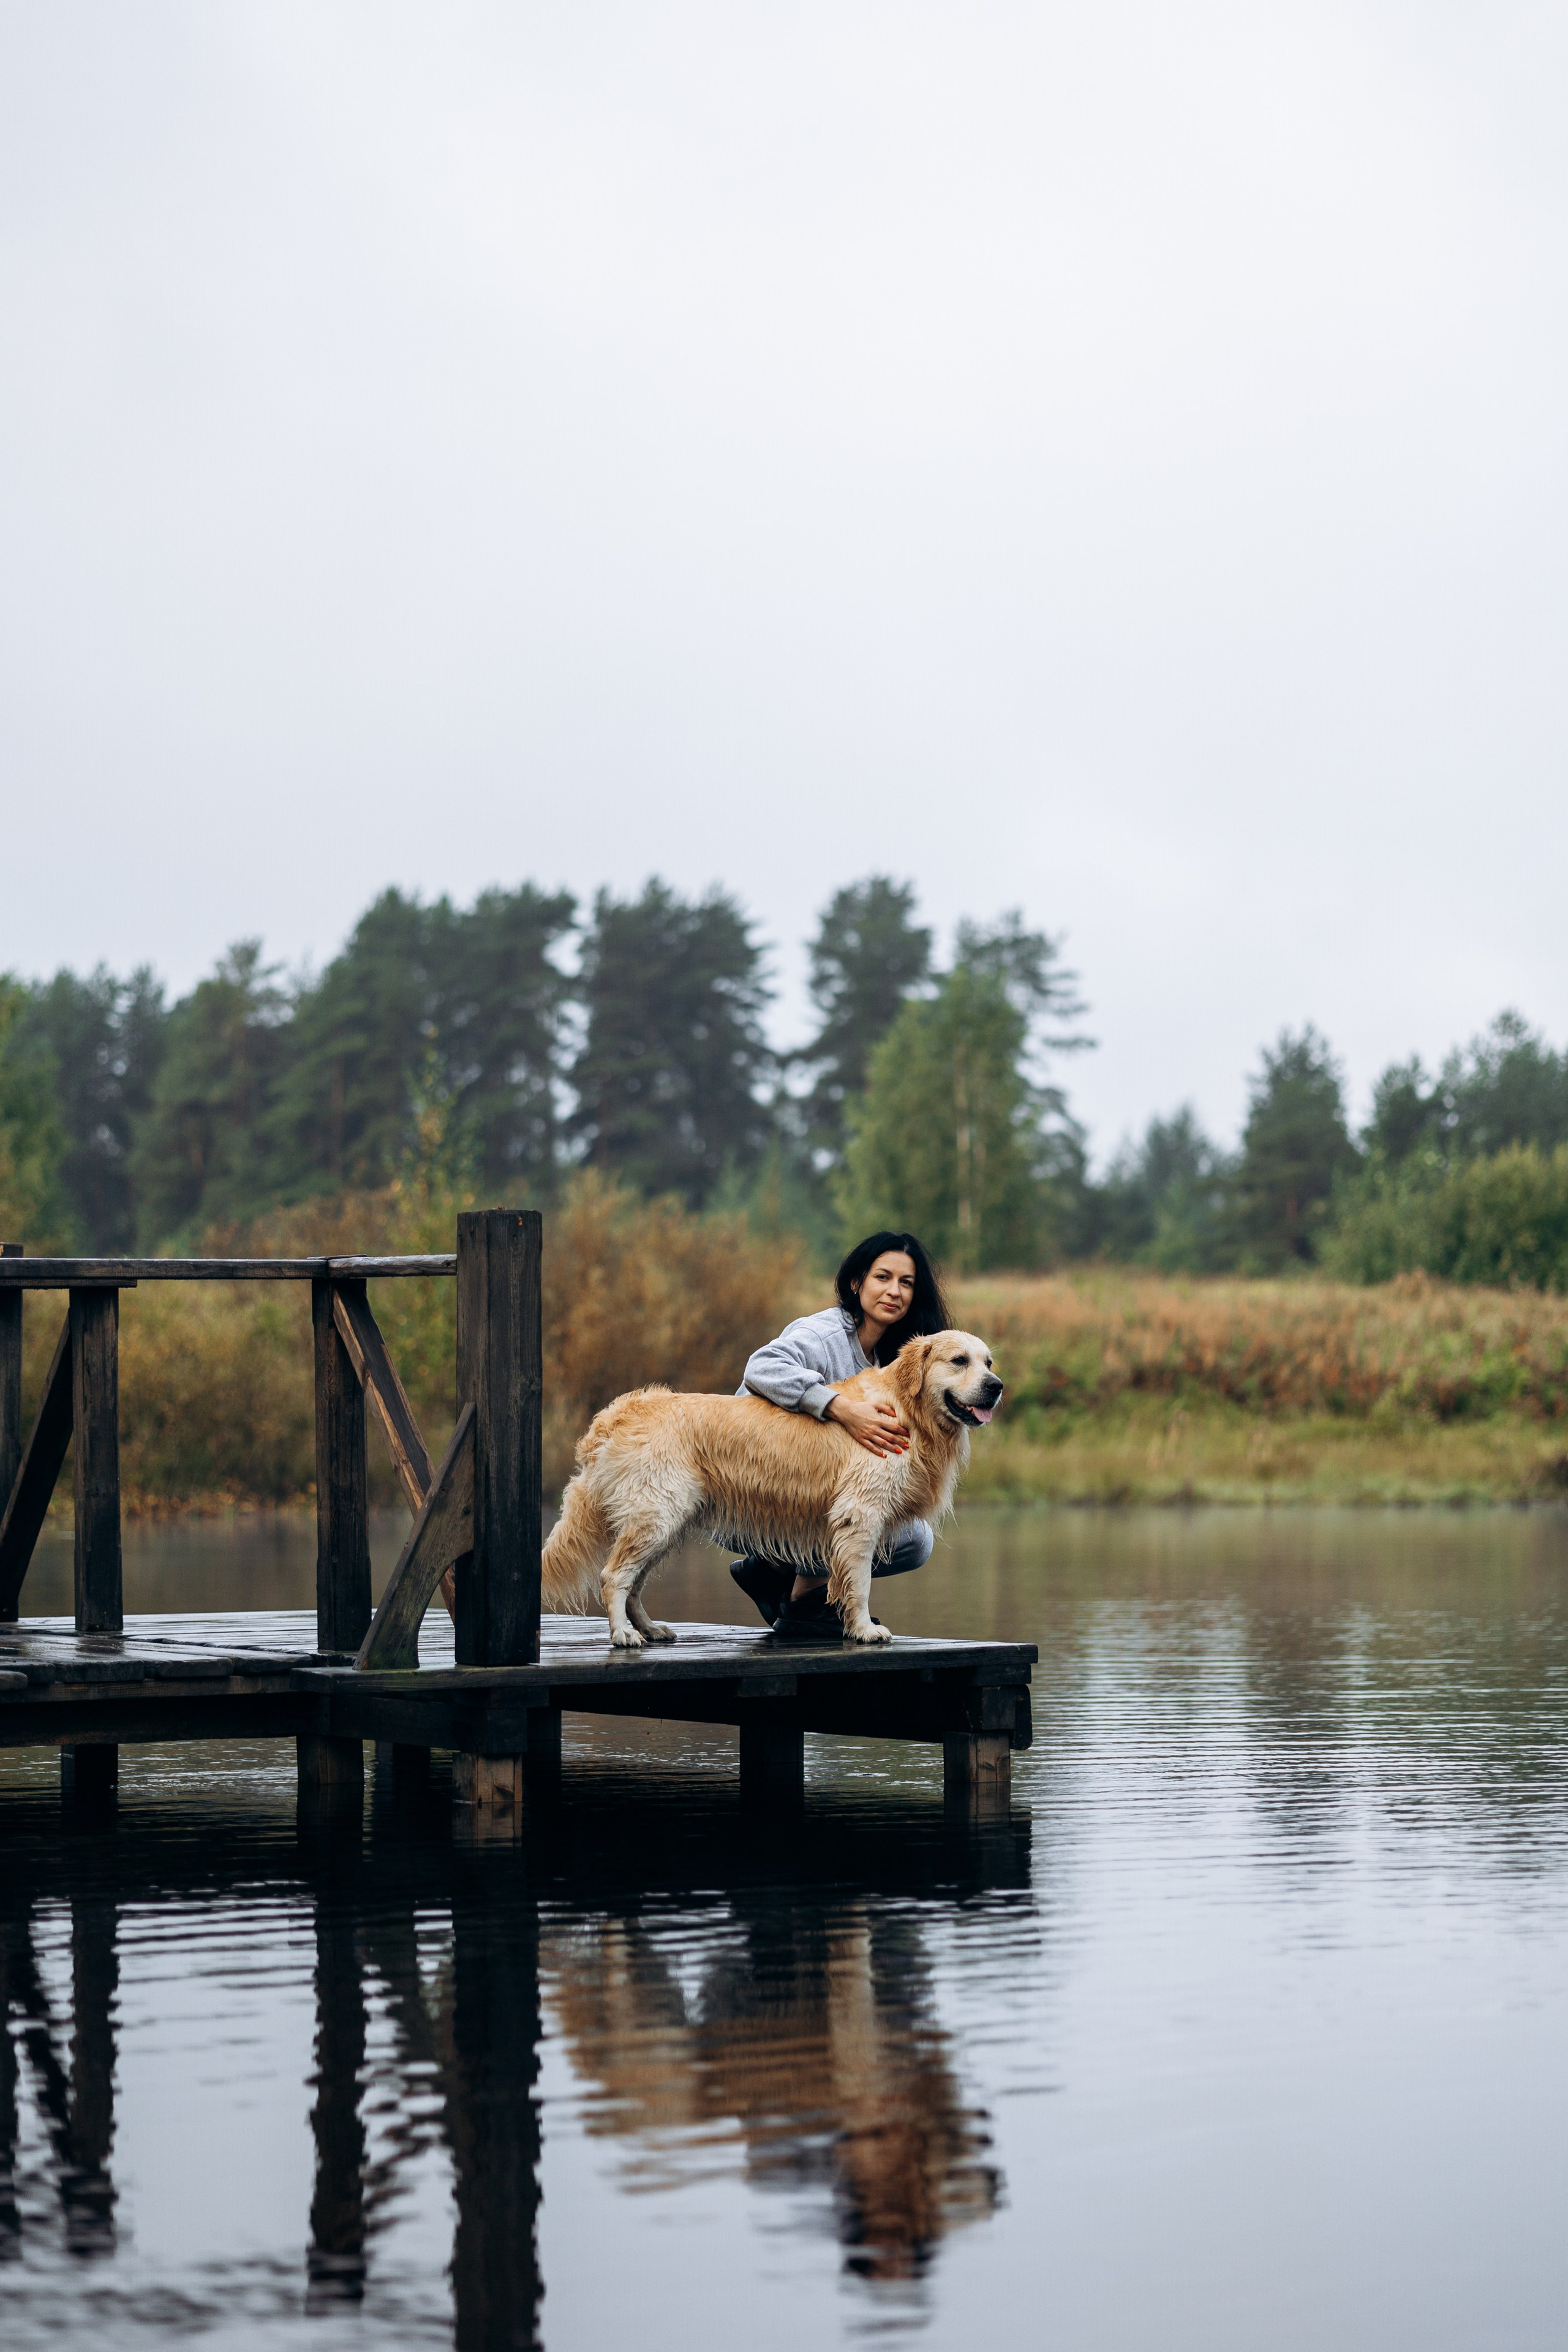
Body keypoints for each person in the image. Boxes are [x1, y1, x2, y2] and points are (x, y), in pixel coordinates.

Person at [728, 1230, 952, 1638]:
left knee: (915, 1539)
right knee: (854, 1513)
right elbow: (761, 1367)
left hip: (819, 1496)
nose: (894, 1291)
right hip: (749, 1487)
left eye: (907, 1283)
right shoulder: (823, 1335)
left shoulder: (894, 1357)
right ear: (857, 1283)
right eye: (883, 1277)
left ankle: (779, 1574)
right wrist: (843, 1409)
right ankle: (804, 1600)